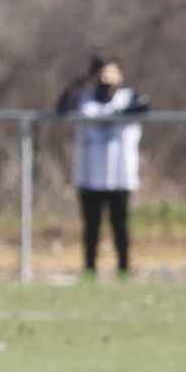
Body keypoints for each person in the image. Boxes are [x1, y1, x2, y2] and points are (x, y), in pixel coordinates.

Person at [56, 55, 149, 281]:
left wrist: (113, 112)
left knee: (120, 226)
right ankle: (89, 270)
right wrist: (81, 79)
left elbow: (143, 107)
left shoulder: (128, 97)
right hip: (90, 175)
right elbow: (62, 107)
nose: (106, 78)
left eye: (111, 73)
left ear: (120, 76)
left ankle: (123, 270)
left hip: (120, 177)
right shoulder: (85, 100)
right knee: (91, 227)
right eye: (102, 73)